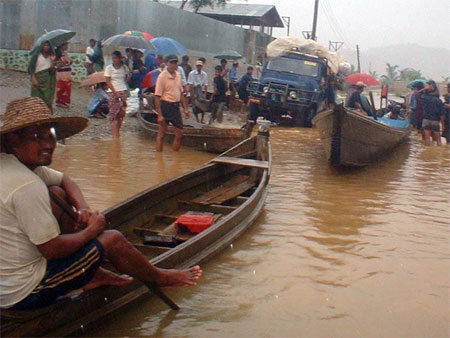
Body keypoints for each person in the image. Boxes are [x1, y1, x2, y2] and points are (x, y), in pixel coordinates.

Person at [0, 97, 202, 310]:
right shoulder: (26, 185)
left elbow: (65, 181)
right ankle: (161, 277)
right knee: (112, 239)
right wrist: (92, 230)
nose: (48, 145)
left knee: (57, 192)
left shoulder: (15, 165)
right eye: (36, 138)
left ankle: (91, 274)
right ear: (13, 140)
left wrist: (84, 209)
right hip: (24, 291)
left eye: (50, 136)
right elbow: (52, 250)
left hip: (7, 279)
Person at [154, 55, 190, 152]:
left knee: (179, 134)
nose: (174, 65)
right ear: (166, 64)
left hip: (175, 106)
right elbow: (157, 97)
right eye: (171, 63)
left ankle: (175, 156)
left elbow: (180, 93)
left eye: (175, 63)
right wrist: (160, 115)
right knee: (162, 134)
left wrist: (185, 109)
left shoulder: (178, 75)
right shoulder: (162, 77)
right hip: (165, 105)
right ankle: (159, 157)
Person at [104, 51, 129, 138]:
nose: (114, 60)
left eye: (116, 58)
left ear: (120, 59)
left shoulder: (124, 68)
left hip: (123, 90)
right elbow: (107, 81)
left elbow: (126, 80)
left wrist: (128, 72)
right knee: (114, 114)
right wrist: (115, 92)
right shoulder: (109, 68)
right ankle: (115, 136)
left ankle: (117, 132)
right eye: (113, 58)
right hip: (112, 92)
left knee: (122, 113)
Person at [28, 41, 56, 113]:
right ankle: (36, 114)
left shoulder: (51, 57)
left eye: (48, 45)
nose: (46, 47)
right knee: (36, 98)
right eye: (45, 45)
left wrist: (53, 62)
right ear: (41, 46)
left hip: (48, 81)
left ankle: (46, 114)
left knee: (47, 98)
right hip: (38, 79)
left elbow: (52, 71)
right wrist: (34, 79)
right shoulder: (36, 56)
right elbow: (31, 69)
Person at [417, 80, 444, 146]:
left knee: (427, 139)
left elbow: (417, 94)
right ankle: (439, 153)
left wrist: (424, 89)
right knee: (438, 140)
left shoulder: (424, 98)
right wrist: (443, 125)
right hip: (435, 121)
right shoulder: (439, 101)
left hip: (426, 120)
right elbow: (442, 114)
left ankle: (427, 153)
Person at [54, 42, 73, 109]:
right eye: (66, 45)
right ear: (61, 46)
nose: (67, 46)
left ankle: (64, 101)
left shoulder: (64, 53)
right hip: (62, 73)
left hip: (67, 73)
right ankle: (60, 101)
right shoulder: (58, 54)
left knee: (66, 87)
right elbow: (57, 64)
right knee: (62, 87)